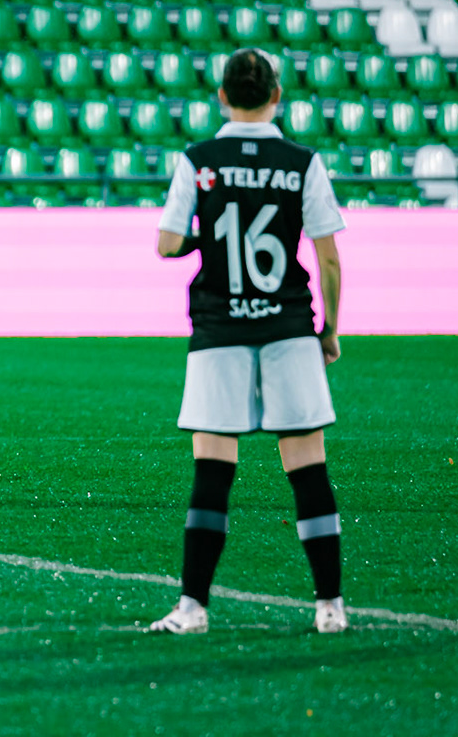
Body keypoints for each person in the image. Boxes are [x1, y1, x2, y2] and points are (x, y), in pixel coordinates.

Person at [146, 48, 348, 635]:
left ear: (222, 97)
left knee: (213, 469)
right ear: (276, 97)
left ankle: (193, 608)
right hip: (288, 326)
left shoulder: (200, 160)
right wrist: (329, 328)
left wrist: (201, 243)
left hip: (220, 328)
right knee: (307, 468)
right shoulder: (301, 161)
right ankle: (330, 607)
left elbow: (165, 243)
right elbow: (328, 257)